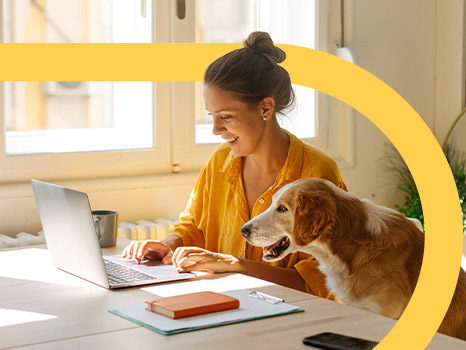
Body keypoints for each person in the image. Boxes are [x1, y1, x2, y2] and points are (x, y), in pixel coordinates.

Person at [122, 31, 347, 298]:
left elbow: (321, 281)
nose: (216, 129)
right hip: (223, 306)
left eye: (225, 116)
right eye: (211, 116)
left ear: (265, 108)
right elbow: (194, 226)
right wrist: (167, 245)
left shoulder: (317, 173)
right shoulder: (220, 161)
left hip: (291, 319)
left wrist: (238, 267)